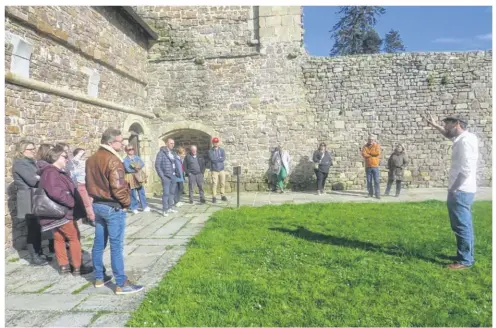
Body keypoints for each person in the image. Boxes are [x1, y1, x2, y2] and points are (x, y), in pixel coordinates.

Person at [86, 128, 143, 294]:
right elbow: (118, 187)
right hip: (112, 206)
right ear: (111, 142)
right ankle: (121, 283)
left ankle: (99, 277)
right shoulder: (113, 160)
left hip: (98, 204)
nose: (124, 143)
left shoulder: (91, 159)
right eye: (120, 141)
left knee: (98, 243)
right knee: (116, 246)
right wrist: (126, 203)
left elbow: (90, 183)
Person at [426, 115, 479, 270]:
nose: (446, 127)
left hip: (461, 190)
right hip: (461, 189)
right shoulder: (463, 138)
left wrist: (455, 188)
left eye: (448, 124)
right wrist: (435, 125)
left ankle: (465, 260)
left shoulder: (465, 141)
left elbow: (467, 167)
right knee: (461, 225)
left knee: (462, 225)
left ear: (457, 123)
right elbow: (448, 135)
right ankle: (464, 255)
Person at [38, 145, 93, 275]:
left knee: (59, 238)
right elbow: (55, 192)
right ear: (55, 157)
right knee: (74, 237)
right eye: (64, 156)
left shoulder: (52, 171)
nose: (67, 159)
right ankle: (77, 267)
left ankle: (64, 266)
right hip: (61, 212)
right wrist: (71, 202)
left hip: (57, 212)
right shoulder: (51, 171)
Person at [13, 140, 48, 266]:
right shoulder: (20, 164)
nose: (34, 151)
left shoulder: (32, 162)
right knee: (32, 228)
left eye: (34, 148)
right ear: (22, 151)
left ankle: (39, 252)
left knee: (37, 227)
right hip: (28, 199)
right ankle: (34, 257)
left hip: (35, 197)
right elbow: (33, 180)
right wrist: (42, 177)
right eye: (30, 149)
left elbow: (39, 176)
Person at [36, 143, 55, 255]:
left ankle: (53, 245)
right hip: (45, 195)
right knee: (50, 222)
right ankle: (52, 245)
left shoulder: (47, 164)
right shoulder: (42, 164)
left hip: (48, 194)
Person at [71, 148, 96, 223]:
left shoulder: (85, 162)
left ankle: (88, 217)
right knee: (87, 203)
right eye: (82, 154)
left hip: (88, 184)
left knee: (91, 201)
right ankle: (92, 219)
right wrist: (81, 152)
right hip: (80, 185)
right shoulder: (76, 162)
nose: (84, 155)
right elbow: (75, 159)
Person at [123, 145, 150, 214]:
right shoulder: (125, 160)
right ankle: (134, 208)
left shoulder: (137, 157)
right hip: (131, 177)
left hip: (138, 176)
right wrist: (136, 168)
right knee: (132, 193)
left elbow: (142, 164)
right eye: (129, 149)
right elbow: (127, 169)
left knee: (141, 191)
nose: (131, 150)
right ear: (126, 151)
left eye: (132, 149)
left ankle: (144, 206)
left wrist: (137, 166)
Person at [155, 138, 178, 216]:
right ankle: (165, 210)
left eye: (173, 143)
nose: (172, 145)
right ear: (167, 144)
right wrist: (162, 176)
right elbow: (157, 165)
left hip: (173, 176)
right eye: (171, 143)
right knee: (166, 193)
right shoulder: (161, 153)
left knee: (172, 193)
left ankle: (170, 207)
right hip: (166, 176)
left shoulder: (173, 153)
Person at [208, 137, 227, 203]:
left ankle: (223, 195)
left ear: (218, 143)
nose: (215, 143)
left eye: (216, 142)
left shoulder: (222, 150)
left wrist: (217, 159)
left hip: (221, 169)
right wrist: (219, 158)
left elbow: (223, 158)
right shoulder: (210, 151)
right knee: (214, 183)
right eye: (214, 142)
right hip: (214, 170)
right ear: (213, 143)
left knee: (222, 183)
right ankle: (214, 197)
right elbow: (212, 159)